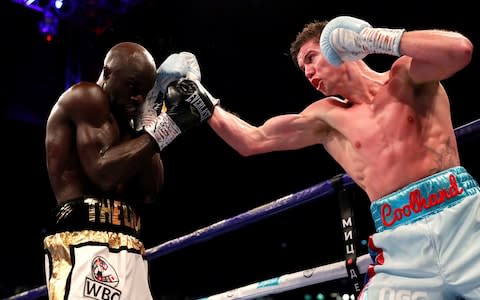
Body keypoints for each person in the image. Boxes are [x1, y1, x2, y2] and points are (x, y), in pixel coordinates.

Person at [180, 16, 479, 299]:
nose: (308, 72)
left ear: (339, 47)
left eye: (311, 58)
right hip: (402, 246)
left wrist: (371, 38)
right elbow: (252, 140)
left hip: (464, 220)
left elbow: (459, 50)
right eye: (303, 68)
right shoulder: (327, 118)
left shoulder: (406, 76)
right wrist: (198, 97)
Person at [44, 43, 214, 299]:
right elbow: (103, 174)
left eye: (144, 93)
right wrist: (170, 125)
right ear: (108, 72)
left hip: (131, 245)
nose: (138, 98)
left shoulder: (130, 120)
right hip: (84, 242)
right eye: (133, 88)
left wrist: (150, 117)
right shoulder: (85, 97)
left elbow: (151, 191)